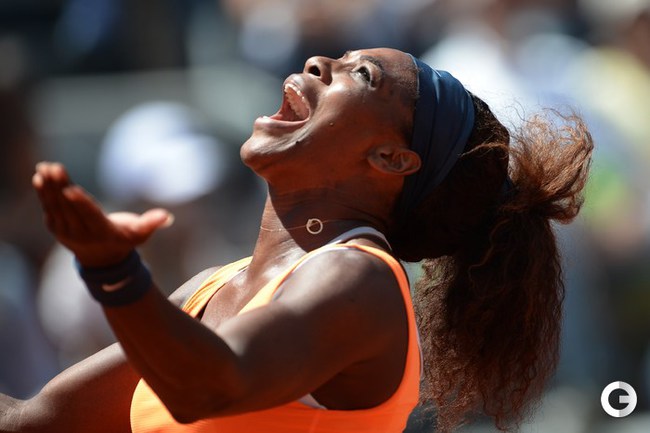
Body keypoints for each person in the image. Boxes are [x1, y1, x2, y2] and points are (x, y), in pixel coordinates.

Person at [0, 48, 592, 433]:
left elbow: (208, 385)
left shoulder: (360, 279)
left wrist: (114, 273)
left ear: (390, 159)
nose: (318, 62)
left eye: (361, 75)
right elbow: (36, 421)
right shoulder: (211, 288)